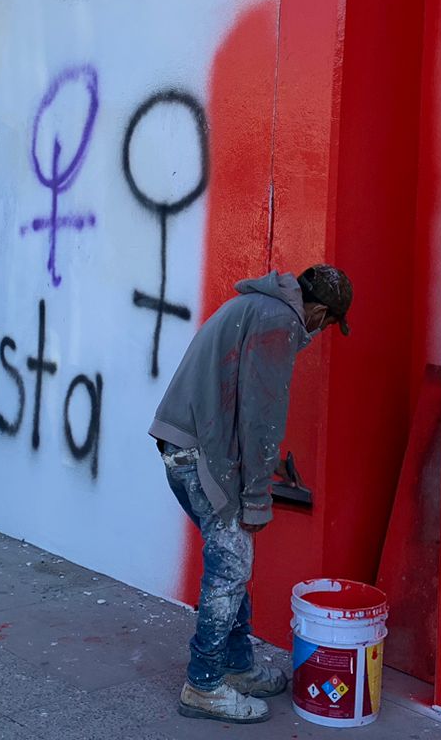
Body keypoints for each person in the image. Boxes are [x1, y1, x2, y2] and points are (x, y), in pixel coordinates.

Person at [149, 265, 354, 725]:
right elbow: (262, 414)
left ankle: (237, 667)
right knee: (230, 565)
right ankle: (203, 685)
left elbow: (238, 400)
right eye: (328, 324)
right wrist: (257, 496)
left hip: (186, 445)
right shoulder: (279, 320)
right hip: (200, 452)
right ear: (319, 310)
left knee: (231, 560)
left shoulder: (258, 306)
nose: (321, 333)